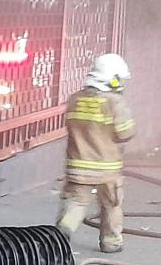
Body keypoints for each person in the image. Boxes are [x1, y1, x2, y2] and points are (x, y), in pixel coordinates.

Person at [58, 53, 136, 253]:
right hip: (107, 168)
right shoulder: (114, 102)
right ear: (112, 78)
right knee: (111, 204)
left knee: (75, 202)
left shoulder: (75, 99)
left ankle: (59, 237)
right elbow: (125, 133)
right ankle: (111, 242)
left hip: (78, 166)